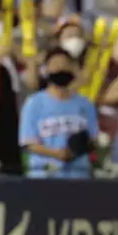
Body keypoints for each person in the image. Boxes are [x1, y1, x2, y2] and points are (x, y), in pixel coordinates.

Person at [19, 47, 98, 179]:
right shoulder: (34, 103)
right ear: (46, 70)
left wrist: (76, 150)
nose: (61, 69)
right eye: (56, 65)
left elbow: (93, 139)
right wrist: (57, 154)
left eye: (65, 66)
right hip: (44, 177)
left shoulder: (85, 104)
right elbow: (29, 143)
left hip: (78, 176)